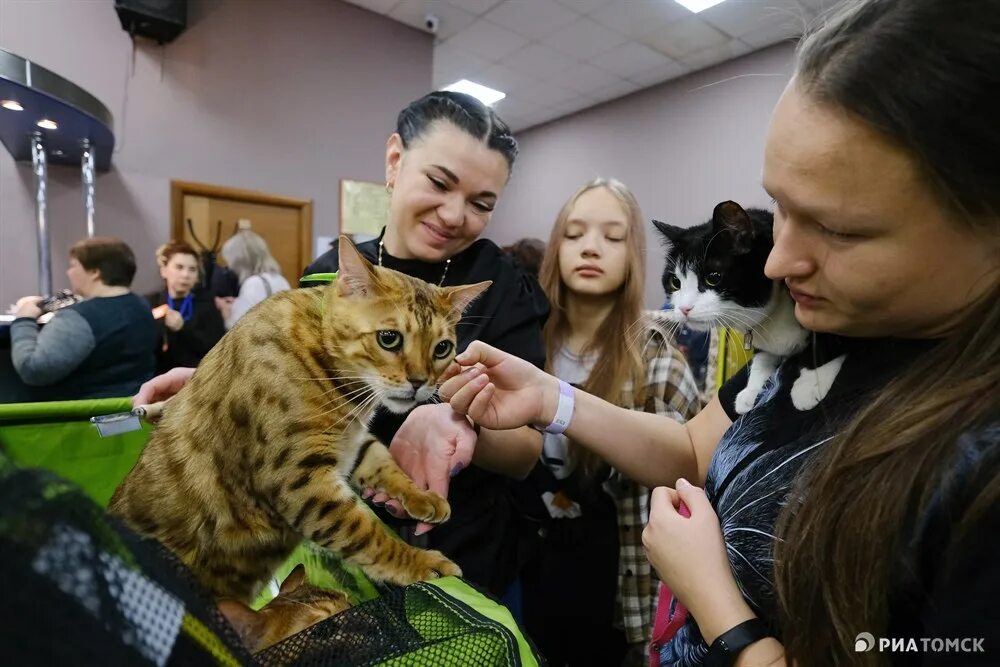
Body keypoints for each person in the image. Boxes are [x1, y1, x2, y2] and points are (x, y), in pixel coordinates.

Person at [435, 1, 1000, 664]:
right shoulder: (819, 332)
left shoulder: (977, 468)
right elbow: (690, 447)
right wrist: (551, 397)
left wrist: (720, 608)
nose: (778, 262)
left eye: (840, 230)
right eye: (781, 209)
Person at [135, 90, 549, 597]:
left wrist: (456, 419)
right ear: (395, 160)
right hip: (331, 545)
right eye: (439, 183)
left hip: (465, 556)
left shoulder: (498, 287)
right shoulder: (330, 271)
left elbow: (528, 451)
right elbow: (300, 389)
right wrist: (217, 385)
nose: (453, 214)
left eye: (482, 203)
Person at [516, 178, 700, 667]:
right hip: (525, 567)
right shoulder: (524, 345)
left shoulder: (656, 354)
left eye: (612, 237)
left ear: (632, 254)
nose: (591, 247)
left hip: (616, 582)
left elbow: (686, 472)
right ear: (556, 248)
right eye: (575, 234)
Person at [10, 237, 156, 400]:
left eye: (73, 266)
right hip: (131, 408)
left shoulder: (79, 318)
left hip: (82, 415)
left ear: (94, 272)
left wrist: (24, 319)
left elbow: (33, 370)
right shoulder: (142, 306)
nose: (69, 272)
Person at [146, 241, 225, 374]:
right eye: (179, 267)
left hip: (195, 375)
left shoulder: (206, 303)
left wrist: (183, 327)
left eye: (192, 269)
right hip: (158, 374)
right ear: (164, 271)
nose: (185, 275)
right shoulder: (151, 302)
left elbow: (215, 346)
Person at [216, 230, 290, 329]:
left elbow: (237, 329)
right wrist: (239, 303)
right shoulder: (280, 279)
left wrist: (225, 311)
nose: (229, 266)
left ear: (239, 261)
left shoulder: (253, 284)